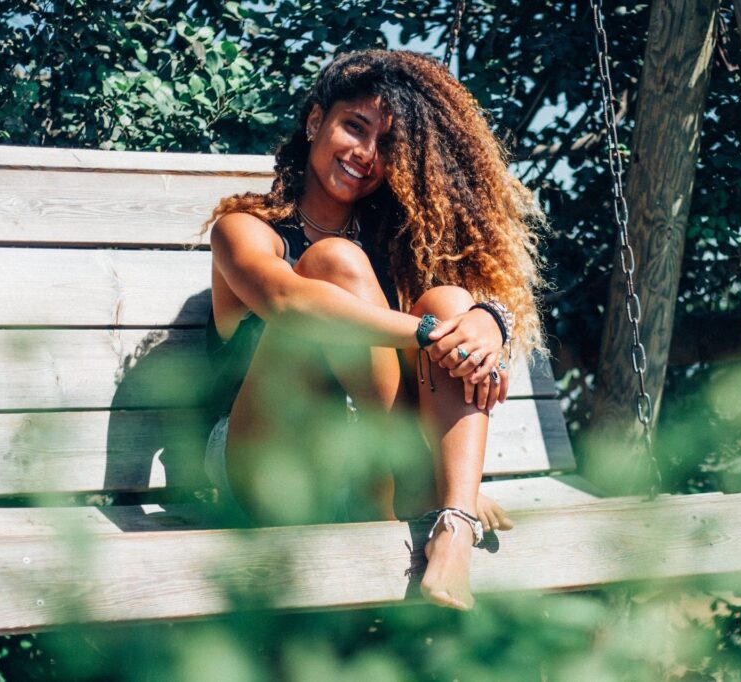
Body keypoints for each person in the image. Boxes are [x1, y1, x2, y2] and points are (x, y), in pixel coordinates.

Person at [201, 49, 548, 610]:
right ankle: (425, 483)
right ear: (316, 121)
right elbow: (287, 299)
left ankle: (452, 521)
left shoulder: (397, 248)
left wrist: (488, 322)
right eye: (354, 127)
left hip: (364, 466)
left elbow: (450, 317)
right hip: (263, 464)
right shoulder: (245, 231)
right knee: (336, 264)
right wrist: (430, 334)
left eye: (385, 145)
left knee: (453, 299)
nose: (365, 154)